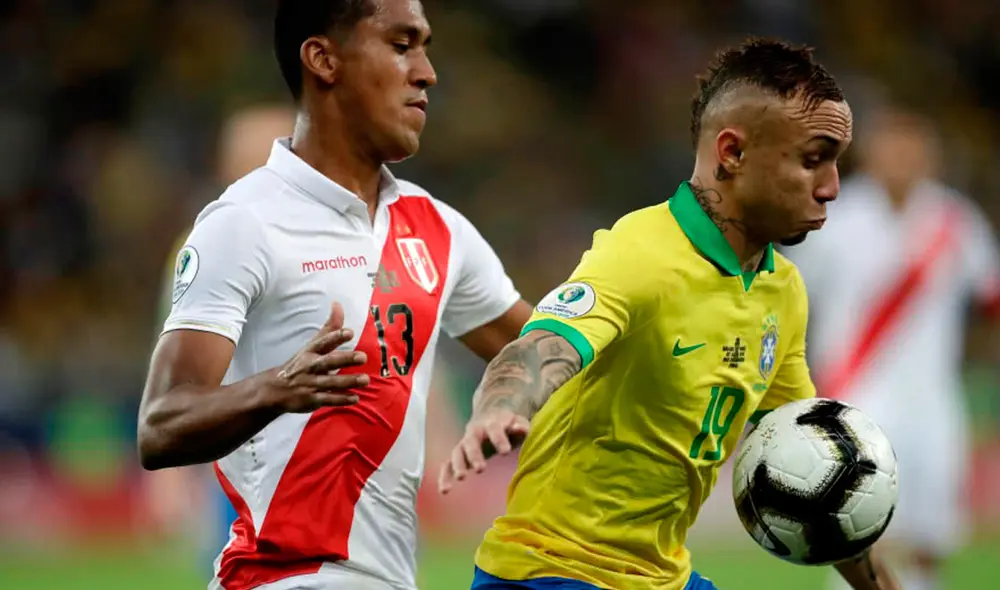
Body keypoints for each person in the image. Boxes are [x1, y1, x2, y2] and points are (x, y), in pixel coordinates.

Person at [439, 38, 900, 590]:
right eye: (812, 159)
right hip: (552, 570)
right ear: (731, 153)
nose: (831, 188)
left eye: (835, 162)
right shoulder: (643, 252)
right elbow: (546, 345)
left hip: (662, 577)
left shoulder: (782, 290)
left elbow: (822, 474)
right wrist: (501, 406)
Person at [136, 1, 532, 589]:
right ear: (323, 59)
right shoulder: (243, 223)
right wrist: (278, 388)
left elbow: (544, 349)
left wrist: (508, 394)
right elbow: (160, 424)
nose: (426, 72)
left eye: (424, 47)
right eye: (401, 45)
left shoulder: (439, 229)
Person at [782, 106, 1000, 590]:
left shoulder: (954, 220)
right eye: (893, 146)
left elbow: (990, 301)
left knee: (930, 536)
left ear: (932, 156)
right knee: (853, 527)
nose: (903, 158)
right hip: (855, 395)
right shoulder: (831, 216)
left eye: (914, 147)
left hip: (934, 398)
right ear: (871, 152)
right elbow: (788, 299)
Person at [149, 104, 296, 572]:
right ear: (226, 166)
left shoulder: (349, 238)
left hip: (330, 459)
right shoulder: (201, 247)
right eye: (252, 158)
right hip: (239, 462)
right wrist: (169, 476)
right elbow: (176, 365)